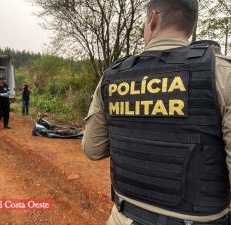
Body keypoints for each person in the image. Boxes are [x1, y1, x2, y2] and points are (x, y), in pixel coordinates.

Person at [82, 0, 231, 224]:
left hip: (124, 217)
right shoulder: (222, 72)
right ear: (191, 26)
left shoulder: (113, 75)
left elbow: (93, 149)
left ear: (153, 19)